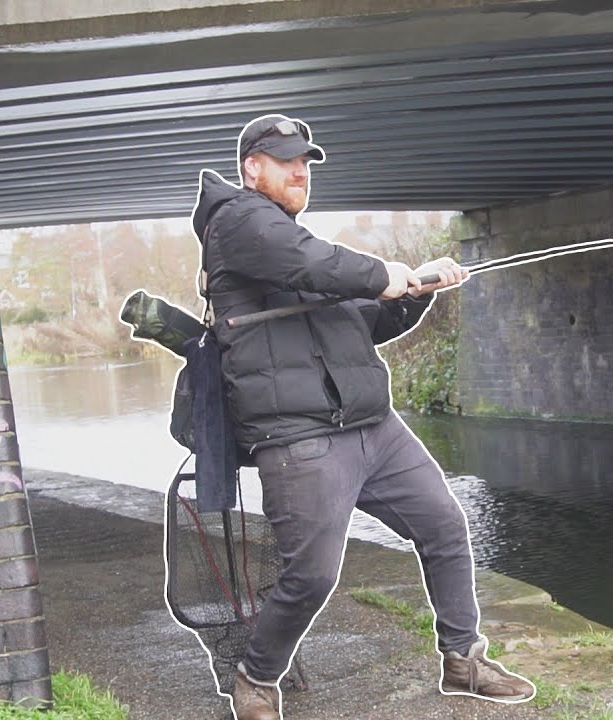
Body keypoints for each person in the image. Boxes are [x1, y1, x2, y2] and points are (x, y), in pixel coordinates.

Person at [189, 114, 535, 719]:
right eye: (288, 160)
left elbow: (365, 320)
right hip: (299, 437)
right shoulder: (238, 223)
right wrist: (384, 274)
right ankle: (256, 675)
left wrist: (415, 291)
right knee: (312, 576)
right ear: (253, 168)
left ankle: (463, 659)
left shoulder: (300, 248)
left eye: (307, 162)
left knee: (446, 528)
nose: (302, 171)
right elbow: (319, 266)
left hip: (373, 426)